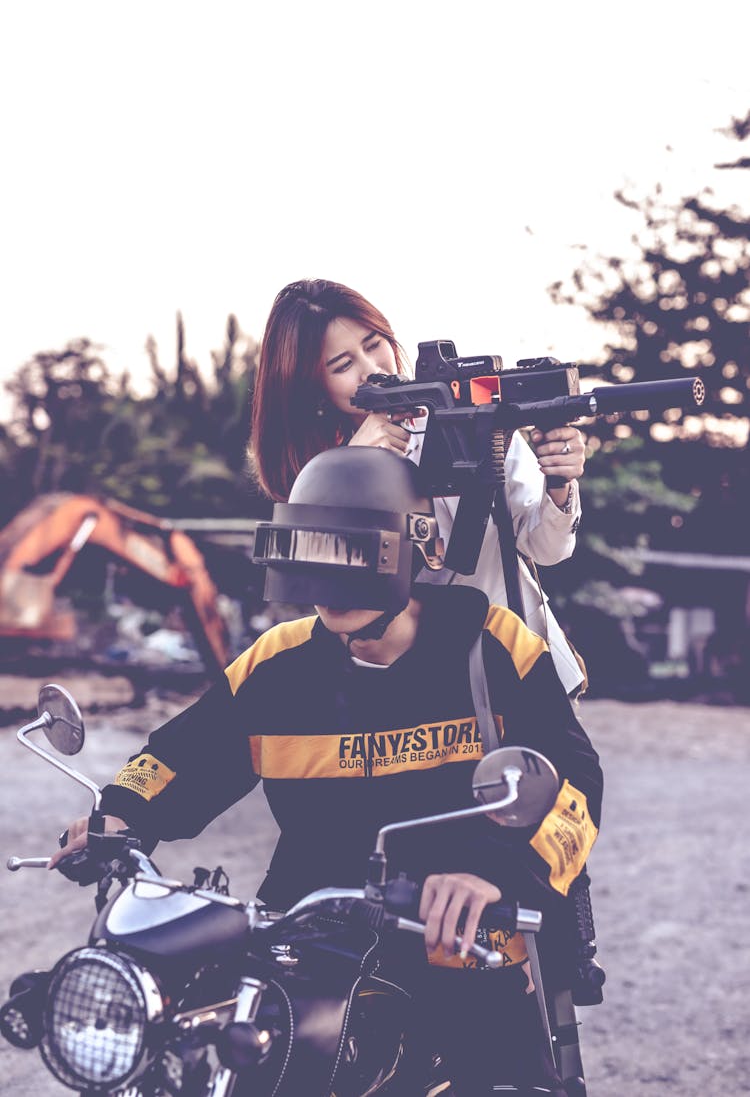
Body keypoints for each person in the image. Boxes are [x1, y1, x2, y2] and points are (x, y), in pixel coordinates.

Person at [52, 446, 603, 1096]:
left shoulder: (493, 644)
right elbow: (182, 755)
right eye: (312, 553)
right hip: (310, 934)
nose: (328, 583)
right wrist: (121, 811)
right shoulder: (276, 663)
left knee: (506, 1080)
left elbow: (575, 785)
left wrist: (495, 872)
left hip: (459, 932)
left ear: (412, 545)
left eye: (351, 555)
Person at [249, 278, 587, 694]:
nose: (372, 368)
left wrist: (559, 481)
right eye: (342, 365)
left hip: (520, 667)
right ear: (313, 388)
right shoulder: (317, 472)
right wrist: (353, 472)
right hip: (404, 696)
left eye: (375, 344)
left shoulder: (467, 416)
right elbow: (335, 600)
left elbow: (548, 549)